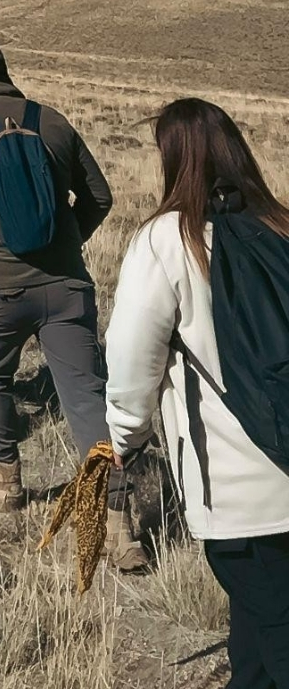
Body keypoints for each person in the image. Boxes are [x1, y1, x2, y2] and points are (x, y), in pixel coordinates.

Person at [0, 41, 137, 559]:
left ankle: (6, 485)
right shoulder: (53, 120)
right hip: (66, 288)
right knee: (85, 397)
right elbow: (101, 197)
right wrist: (66, 242)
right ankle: (117, 523)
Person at [105, 98, 289, 677]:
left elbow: (133, 363)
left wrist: (122, 440)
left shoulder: (167, 241)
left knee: (275, 636)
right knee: (255, 639)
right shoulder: (280, 225)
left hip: (238, 495)